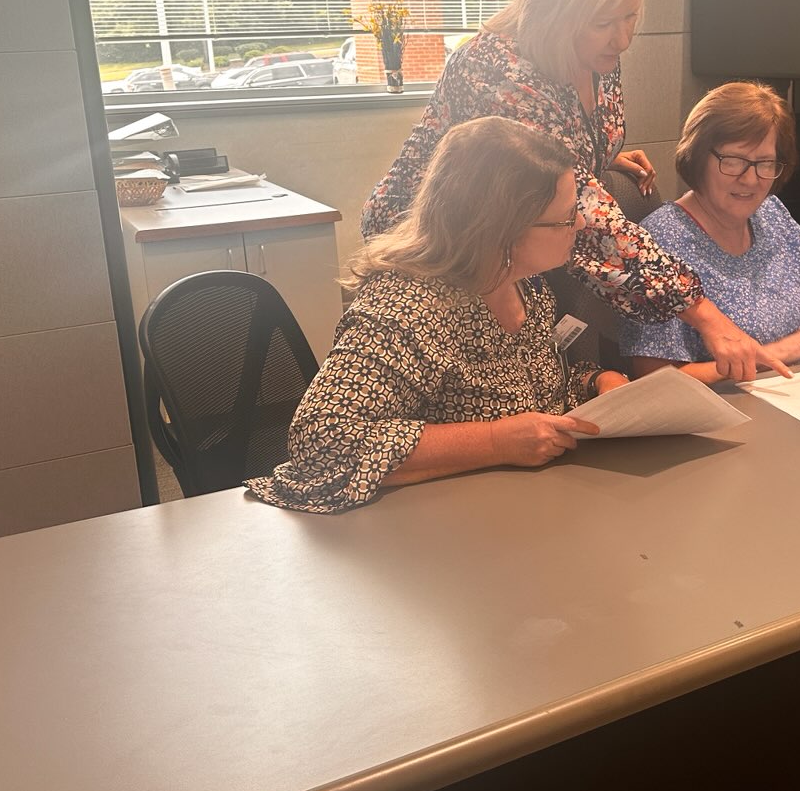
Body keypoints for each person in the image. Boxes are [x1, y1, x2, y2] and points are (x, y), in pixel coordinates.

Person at [359, 0, 786, 381]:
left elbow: (559, 142)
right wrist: (706, 316)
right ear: (555, 9)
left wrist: (601, 154)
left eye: (631, 17)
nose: (622, 39)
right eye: (604, 22)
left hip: (515, 240)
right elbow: (585, 218)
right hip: (444, 251)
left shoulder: (595, 53)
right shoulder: (499, 70)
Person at [250, 118, 627, 514]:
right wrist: (495, 441)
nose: (581, 224)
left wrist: (596, 381)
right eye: (567, 218)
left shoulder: (524, 283)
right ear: (501, 230)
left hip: (526, 509)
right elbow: (323, 439)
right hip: (433, 535)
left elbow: (530, 397)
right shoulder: (405, 309)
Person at [621, 82, 800, 382]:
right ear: (698, 155)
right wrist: (782, 353)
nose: (751, 179)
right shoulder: (662, 240)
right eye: (735, 161)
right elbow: (653, 378)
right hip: (731, 415)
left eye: (765, 164)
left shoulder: (770, 214)